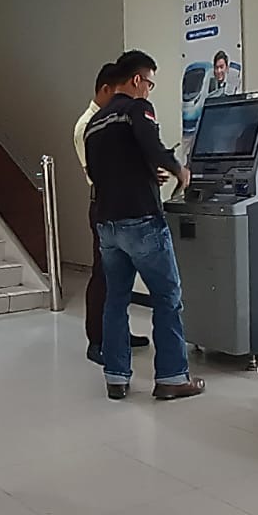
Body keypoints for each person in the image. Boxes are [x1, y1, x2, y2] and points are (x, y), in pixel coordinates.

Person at [84, 50, 206, 401]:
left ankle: (116, 377)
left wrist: (146, 172)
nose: (149, 90)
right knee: (167, 297)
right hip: (141, 220)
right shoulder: (138, 109)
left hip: (107, 223)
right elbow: (151, 145)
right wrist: (179, 170)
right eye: (149, 83)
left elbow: (103, 171)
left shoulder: (95, 122)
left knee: (115, 299)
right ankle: (172, 377)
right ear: (137, 80)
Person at [73, 62, 150, 366]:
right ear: (106, 89)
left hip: (123, 202)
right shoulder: (87, 125)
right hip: (104, 203)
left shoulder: (113, 119)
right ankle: (97, 339)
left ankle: (118, 332)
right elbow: (97, 172)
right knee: (103, 273)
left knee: (122, 273)